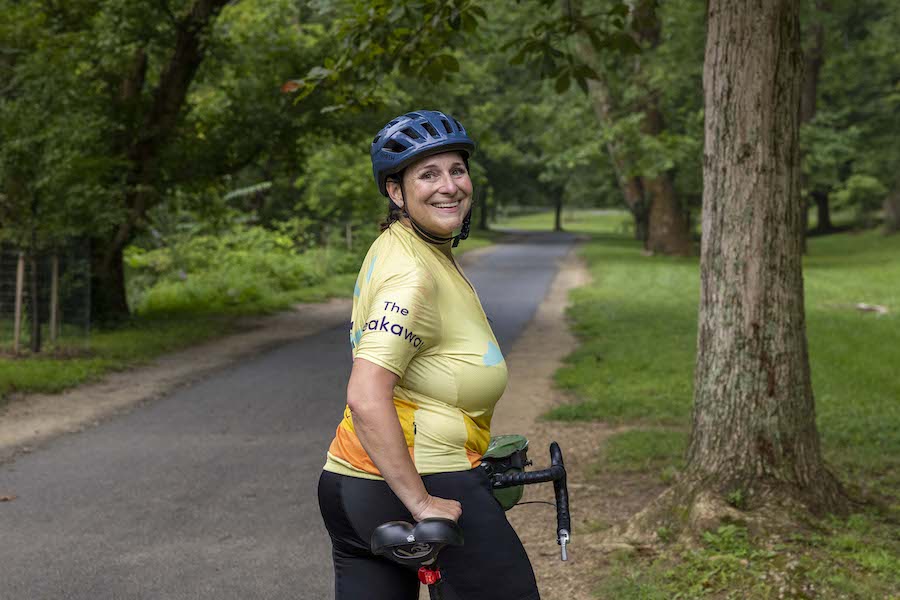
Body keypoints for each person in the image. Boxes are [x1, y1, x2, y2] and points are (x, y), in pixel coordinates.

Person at [317, 110, 540, 600]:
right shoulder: (411, 273)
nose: (449, 186)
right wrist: (421, 504)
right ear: (396, 192)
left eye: (456, 170)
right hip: (419, 482)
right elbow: (366, 393)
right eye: (428, 174)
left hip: (351, 482)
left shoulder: (408, 248)